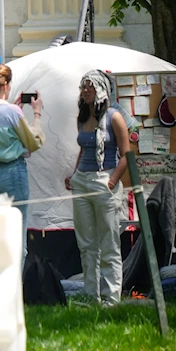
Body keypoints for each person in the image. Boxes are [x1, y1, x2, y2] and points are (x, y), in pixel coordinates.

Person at [64, 69, 130, 306]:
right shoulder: (82, 118)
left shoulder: (114, 118)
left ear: (102, 89)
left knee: (109, 243)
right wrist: (74, 174)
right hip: (82, 180)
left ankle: (111, 299)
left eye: (90, 87)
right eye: (83, 87)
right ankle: (92, 295)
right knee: (86, 243)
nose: (85, 91)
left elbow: (126, 156)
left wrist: (112, 182)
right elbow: (84, 149)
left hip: (106, 179)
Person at [0, 62, 46, 266]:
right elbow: (34, 141)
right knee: (16, 236)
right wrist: (36, 114)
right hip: (12, 173)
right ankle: (15, 292)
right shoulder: (12, 112)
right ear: (6, 85)